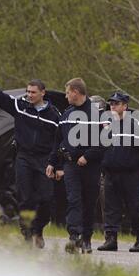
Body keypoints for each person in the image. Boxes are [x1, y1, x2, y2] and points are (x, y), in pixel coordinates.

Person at [0, 61, 61, 249]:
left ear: (42, 93)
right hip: (23, 157)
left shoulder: (55, 116)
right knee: (25, 196)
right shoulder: (20, 106)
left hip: (44, 160)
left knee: (46, 198)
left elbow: (59, 142)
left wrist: (57, 165)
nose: (29, 95)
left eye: (33, 92)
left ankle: (39, 229)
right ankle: (27, 233)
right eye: (27, 91)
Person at [47, 78, 105, 254]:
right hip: (70, 165)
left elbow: (105, 141)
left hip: (91, 166)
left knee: (89, 202)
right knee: (73, 200)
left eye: (67, 92)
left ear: (76, 92)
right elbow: (58, 140)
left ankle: (86, 238)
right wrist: (52, 162)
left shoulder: (97, 115)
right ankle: (74, 236)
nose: (66, 96)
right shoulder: (66, 115)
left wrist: (87, 156)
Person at [97, 92, 139, 252]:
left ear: (125, 106)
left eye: (116, 103)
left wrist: (134, 165)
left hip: (130, 174)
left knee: (135, 207)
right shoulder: (105, 125)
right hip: (110, 173)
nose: (112, 106)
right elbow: (99, 148)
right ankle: (111, 239)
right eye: (111, 103)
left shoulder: (137, 126)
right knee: (110, 208)